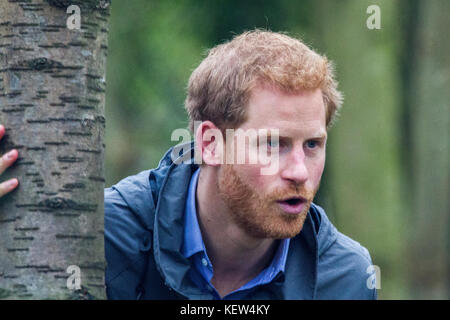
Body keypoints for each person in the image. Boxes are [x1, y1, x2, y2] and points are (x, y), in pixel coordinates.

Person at [1, 30, 377, 300]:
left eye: (312, 145)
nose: (299, 171)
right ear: (210, 144)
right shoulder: (103, 235)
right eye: (272, 145)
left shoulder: (344, 277)